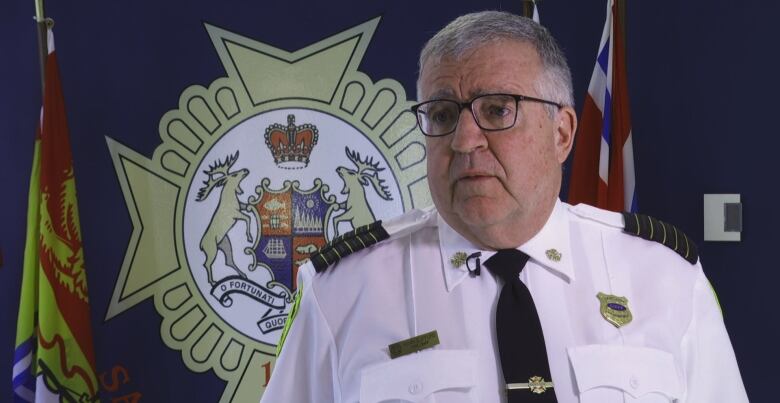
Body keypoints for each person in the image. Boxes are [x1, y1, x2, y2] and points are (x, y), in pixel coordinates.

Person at [260, 11, 748, 403]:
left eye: (497, 109)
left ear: (561, 134)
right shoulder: (340, 292)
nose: (465, 139)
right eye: (443, 114)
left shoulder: (666, 278)